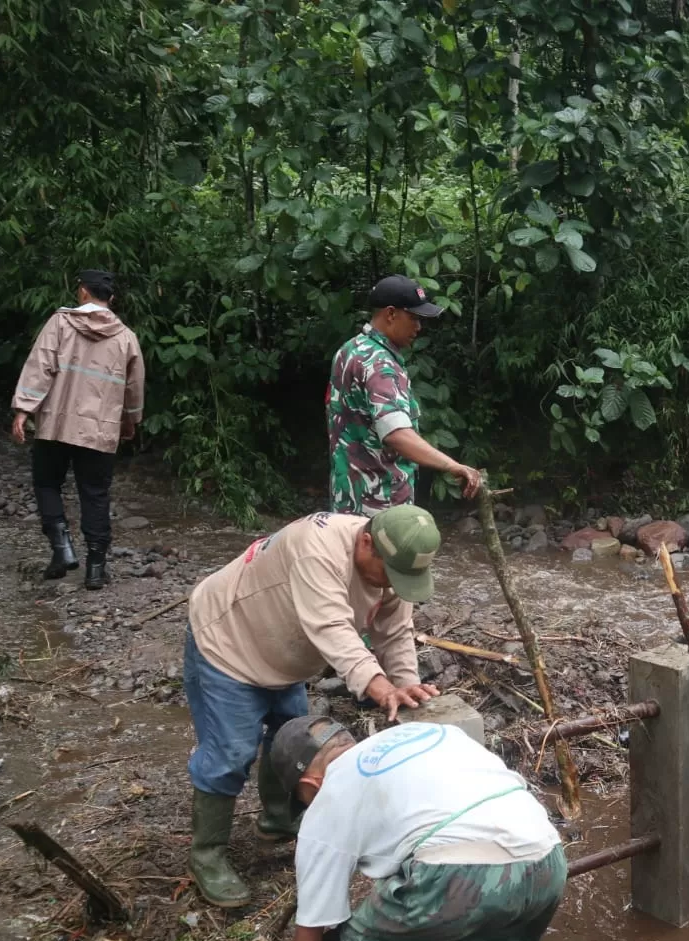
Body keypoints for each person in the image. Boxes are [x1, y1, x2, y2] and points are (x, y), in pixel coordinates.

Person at [238, 715, 565, 941]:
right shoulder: (429, 732)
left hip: (461, 870)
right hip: (546, 859)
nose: (307, 808)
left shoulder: (328, 798)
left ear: (310, 783)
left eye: (302, 800)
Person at [183, 505, 442, 908]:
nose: (394, 585)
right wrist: (379, 687)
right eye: (391, 575)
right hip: (228, 642)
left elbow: (394, 630)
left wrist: (407, 684)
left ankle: (277, 820)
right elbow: (331, 627)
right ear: (367, 543)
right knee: (230, 752)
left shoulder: (393, 567)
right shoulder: (316, 547)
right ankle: (208, 854)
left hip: (283, 654)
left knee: (295, 738)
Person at [10, 269, 145, 591]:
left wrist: (22, 409)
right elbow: (134, 386)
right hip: (100, 429)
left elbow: (40, 365)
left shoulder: (60, 323)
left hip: (57, 423)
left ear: (82, 292)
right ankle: (96, 570)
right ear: (110, 299)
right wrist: (130, 421)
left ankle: (63, 550)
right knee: (95, 495)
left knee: (46, 483)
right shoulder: (126, 337)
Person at [328, 275, 482, 515]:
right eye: (413, 318)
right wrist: (452, 466)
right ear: (391, 314)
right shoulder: (380, 364)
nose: (419, 328)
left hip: (347, 497)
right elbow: (397, 434)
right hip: (380, 506)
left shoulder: (349, 350)